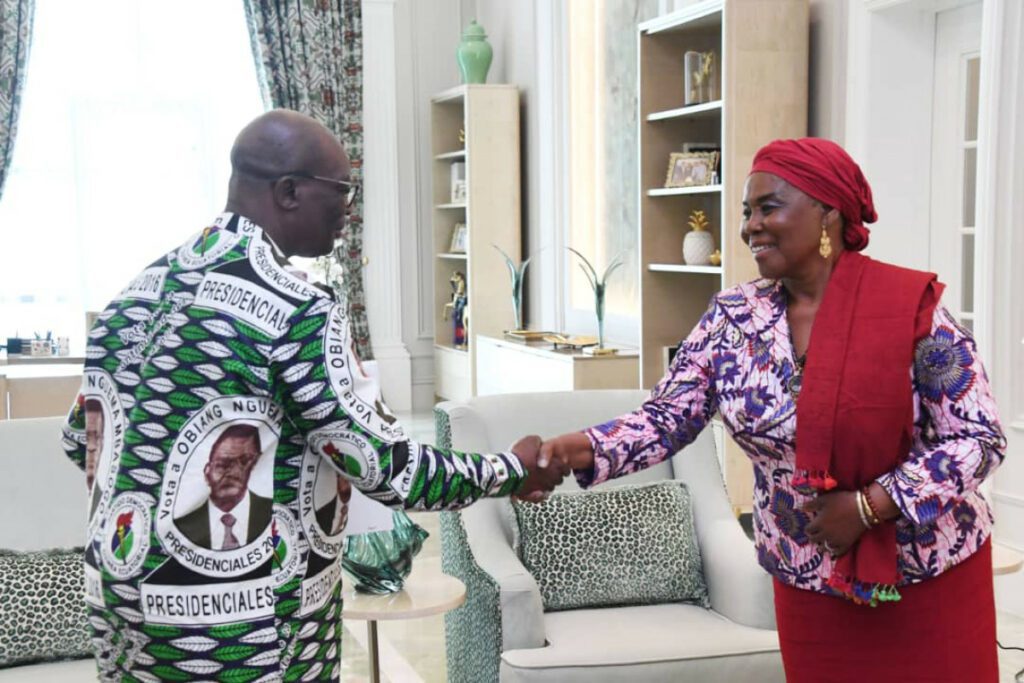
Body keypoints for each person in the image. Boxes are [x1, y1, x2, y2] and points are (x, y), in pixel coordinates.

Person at [61, 109, 566, 682]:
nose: (349, 211)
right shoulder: (297, 310)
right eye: (342, 191)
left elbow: (82, 442)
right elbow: (390, 469)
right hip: (242, 630)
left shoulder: (133, 297)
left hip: (119, 610)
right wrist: (511, 469)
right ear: (288, 192)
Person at [539, 138, 1007, 682]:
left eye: (768, 207)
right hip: (806, 578)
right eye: (747, 212)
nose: (749, 227)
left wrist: (869, 506)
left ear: (828, 214)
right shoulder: (733, 318)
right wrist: (578, 448)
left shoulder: (911, 309)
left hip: (928, 575)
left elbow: (978, 437)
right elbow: (667, 417)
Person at [174, 425, 273, 550]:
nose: (233, 472)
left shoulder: (274, 513)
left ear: (255, 464)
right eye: (222, 465)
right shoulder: (181, 527)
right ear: (207, 472)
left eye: (243, 461)